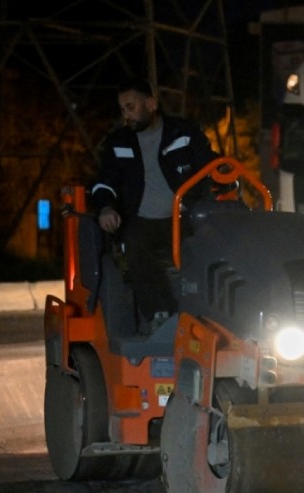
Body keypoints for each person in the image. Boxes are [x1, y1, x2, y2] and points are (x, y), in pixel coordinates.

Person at [90, 77, 218, 333]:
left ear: (150, 104)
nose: (126, 115)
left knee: (215, 241)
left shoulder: (184, 132)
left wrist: (225, 177)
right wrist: (105, 207)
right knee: (134, 242)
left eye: (131, 107)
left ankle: (212, 315)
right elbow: (105, 182)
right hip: (142, 222)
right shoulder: (118, 142)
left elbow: (210, 165)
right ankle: (160, 315)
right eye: (123, 109)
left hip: (185, 218)